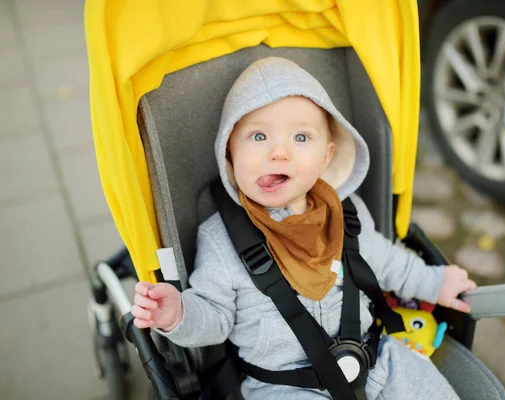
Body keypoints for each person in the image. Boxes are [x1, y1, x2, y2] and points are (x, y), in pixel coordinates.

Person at [131, 57, 476, 399]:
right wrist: (178, 313)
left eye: (300, 137)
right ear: (229, 152)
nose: (279, 152)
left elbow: (386, 262)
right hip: (282, 385)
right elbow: (215, 315)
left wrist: (435, 282)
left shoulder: (346, 214)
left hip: (374, 359)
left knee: (418, 378)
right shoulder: (220, 238)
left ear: (326, 156)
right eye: (258, 135)